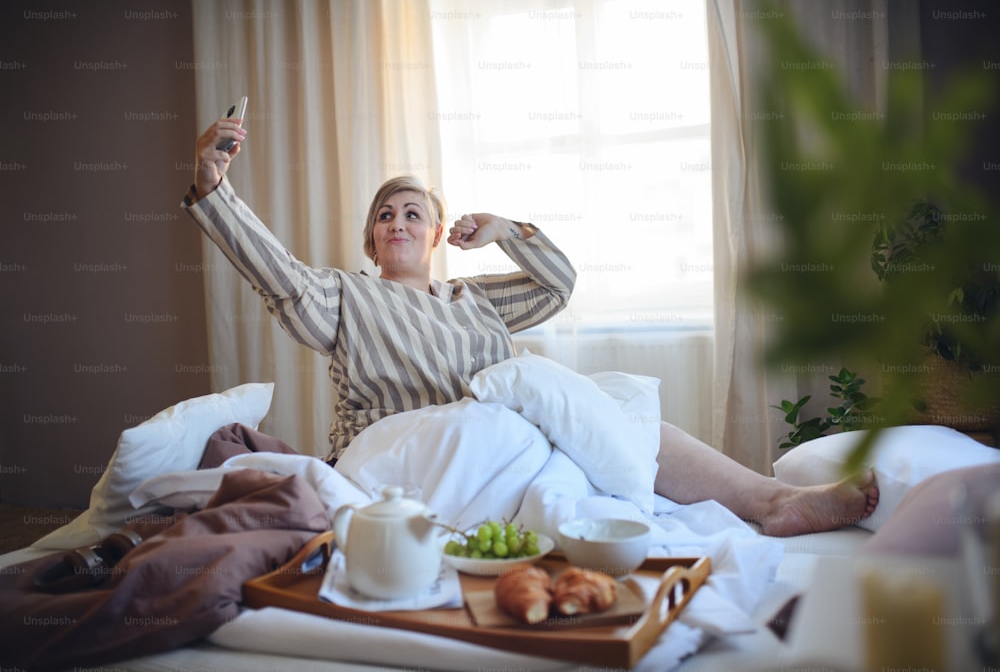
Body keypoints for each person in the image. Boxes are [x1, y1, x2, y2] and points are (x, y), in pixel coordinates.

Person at [182, 115, 878, 538]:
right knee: (533, 394)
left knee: (621, 403)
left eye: (413, 213)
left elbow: (558, 284)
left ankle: (775, 499)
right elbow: (280, 276)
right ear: (371, 242)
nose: (397, 221)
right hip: (396, 457)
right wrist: (216, 184)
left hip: (495, 444)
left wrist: (508, 229)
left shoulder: (474, 300)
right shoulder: (344, 296)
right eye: (385, 215)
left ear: (437, 237)